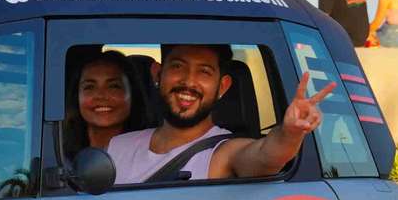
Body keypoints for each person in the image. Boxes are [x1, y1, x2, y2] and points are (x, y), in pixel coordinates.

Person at [106, 43, 334, 183]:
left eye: (204, 72)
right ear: (157, 74)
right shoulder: (117, 147)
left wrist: (290, 132)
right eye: (178, 66)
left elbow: (266, 156)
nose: (189, 81)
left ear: (222, 87)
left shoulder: (224, 152)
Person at [64, 52, 137, 154]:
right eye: (89, 87)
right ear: (76, 96)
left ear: (132, 93)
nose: (101, 96)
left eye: (113, 86)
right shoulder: (56, 155)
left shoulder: (153, 154)